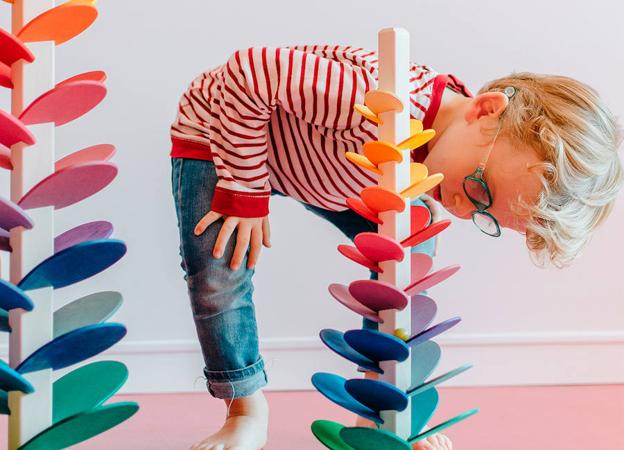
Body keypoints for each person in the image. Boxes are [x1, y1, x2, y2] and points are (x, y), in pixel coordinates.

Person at [169, 45, 623, 450]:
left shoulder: (444, 158)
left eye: (485, 216)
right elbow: (249, 72)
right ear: (484, 111)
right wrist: (244, 190)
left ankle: (380, 411)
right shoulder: (374, 98)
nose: (464, 210)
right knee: (217, 272)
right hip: (223, 141)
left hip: (330, 172)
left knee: (408, 263)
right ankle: (245, 409)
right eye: (479, 188)